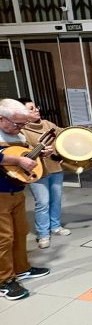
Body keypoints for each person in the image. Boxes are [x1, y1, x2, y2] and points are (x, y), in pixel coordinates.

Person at [0, 98, 52, 301]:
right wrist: (17, 159)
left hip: (16, 190)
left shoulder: (18, 134)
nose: (21, 128)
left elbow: (25, 158)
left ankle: (21, 268)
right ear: (2, 119)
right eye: (17, 124)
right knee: (3, 238)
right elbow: (14, 159)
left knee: (21, 231)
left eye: (23, 124)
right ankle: (4, 281)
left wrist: (40, 154)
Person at [18, 98, 70, 249]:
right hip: (36, 172)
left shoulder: (48, 124)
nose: (36, 110)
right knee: (42, 202)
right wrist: (39, 152)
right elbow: (22, 151)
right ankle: (43, 233)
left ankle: (55, 226)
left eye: (36, 107)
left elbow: (63, 136)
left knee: (56, 199)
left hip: (55, 168)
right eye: (31, 108)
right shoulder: (21, 130)